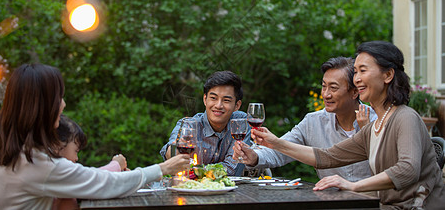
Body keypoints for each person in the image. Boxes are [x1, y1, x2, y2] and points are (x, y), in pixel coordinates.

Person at [245, 41, 444, 209]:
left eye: (363, 71)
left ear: (388, 75)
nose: (357, 79)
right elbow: (327, 157)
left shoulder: (404, 117)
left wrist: (352, 186)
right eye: (355, 72)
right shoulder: (375, 127)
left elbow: (408, 170)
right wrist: (275, 143)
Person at [0, 63, 190, 209]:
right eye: (59, 97)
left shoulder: (10, 151)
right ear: (43, 106)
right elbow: (104, 184)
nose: (63, 105)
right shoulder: (37, 164)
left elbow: (90, 178)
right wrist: (163, 168)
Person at [234, 56, 376, 181]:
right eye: (324, 86)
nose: (326, 94)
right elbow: (282, 150)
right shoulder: (314, 122)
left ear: (354, 91)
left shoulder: (376, 120)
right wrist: (254, 157)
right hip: (329, 200)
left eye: (333, 88)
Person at [160, 70, 250, 176]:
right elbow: (170, 153)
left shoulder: (240, 123)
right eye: (213, 98)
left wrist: (196, 171)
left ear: (237, 105)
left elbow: (232, 169)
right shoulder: (189, 125)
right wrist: (176, 149)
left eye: (226, 100)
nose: (218, 105)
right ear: (205, 99)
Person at [53, 115, 129, 210]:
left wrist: (122, 175)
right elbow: (89, 180)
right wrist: (116, 165)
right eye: (76, 151)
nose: (76, 158)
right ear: (58, 145)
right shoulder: (55, 173)